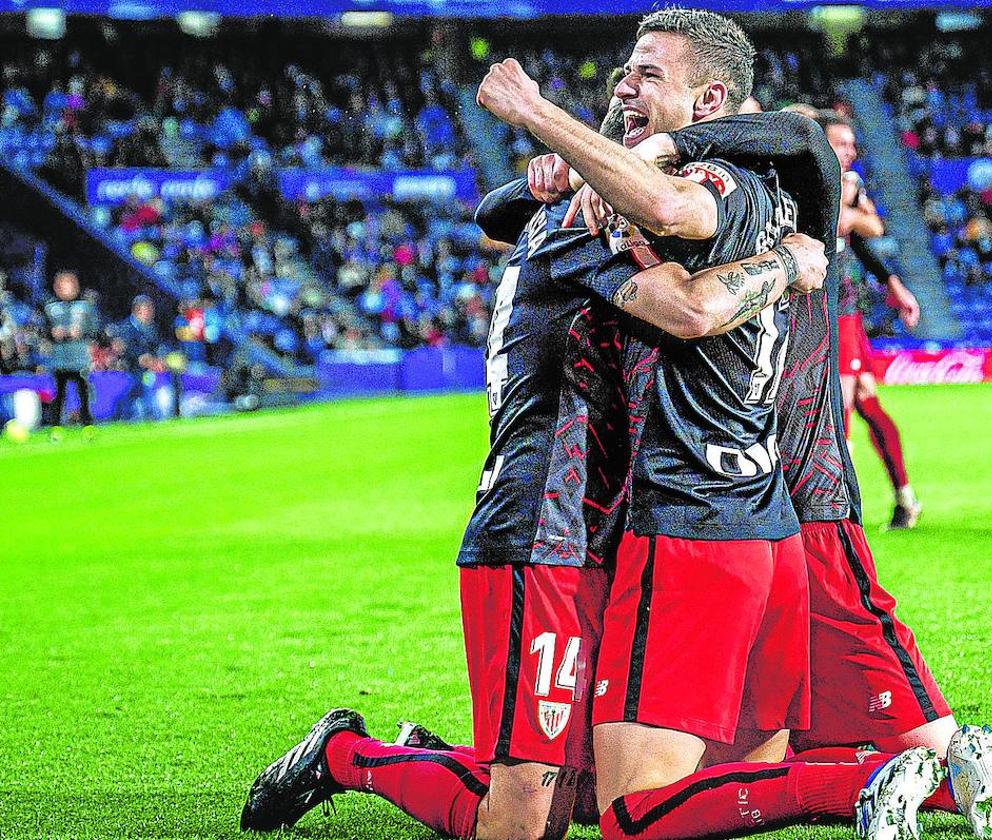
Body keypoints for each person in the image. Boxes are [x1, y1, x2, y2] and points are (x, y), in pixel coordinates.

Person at [240, 95, 833, 840]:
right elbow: (691, 308)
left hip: (603, 528)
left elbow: (504, 208)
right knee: (521, 826)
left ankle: (449, 760)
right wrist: (787, 259)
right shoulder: (573, 230)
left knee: (589, 784)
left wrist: (546, 177)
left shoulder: (589, 214)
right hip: (537, 531)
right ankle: (345, 755)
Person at [477, 12, 951, 839]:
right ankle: (945, 767)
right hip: (760, 511)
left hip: (738, 511)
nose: (626, 86)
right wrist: (570, 170)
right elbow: (501, 207)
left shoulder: (743, 180)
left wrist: (549, 120)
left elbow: (694, 282)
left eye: (647, 74)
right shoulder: (696, 190)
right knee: (734, 772)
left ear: (713, 103)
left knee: (629, 807)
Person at [671, 109, 992, 840]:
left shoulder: (799, 196)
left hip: (805, 496)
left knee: (934, 755)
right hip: (717, 516)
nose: (844, 155)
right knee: (735, 754)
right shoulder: (710, 212)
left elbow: (814, 175)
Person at [821, 112, 924, 530]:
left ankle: (838, 511)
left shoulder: (850, 185)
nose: (849, 151)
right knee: (862, 398)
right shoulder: (805, 181)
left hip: (841, 306)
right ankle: (904, 497)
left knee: (840, 403)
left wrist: (892, 284)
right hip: (816, 303)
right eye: (840, 143)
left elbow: (871, 229)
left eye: (851, 144)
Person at [43, 269, 98, 439]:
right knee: (59, 394)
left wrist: (80, 332)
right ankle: (56, 427)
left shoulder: (85, 306)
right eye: (62, 286)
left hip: (79, 357)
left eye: (69, 285)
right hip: (59, 358)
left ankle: (87, 425)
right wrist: (52, 333)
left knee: (83, 393)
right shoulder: (50, 307)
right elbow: (42, 331)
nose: (66, 289)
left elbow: (95, 330)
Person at [111, 294, 164, 421]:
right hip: (128, 370)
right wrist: (139, 358)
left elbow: (155, 347)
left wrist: (155, 359)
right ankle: (122, 416)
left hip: (145, 372)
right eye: (147, 310)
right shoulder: (125, 328)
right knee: (133, 391)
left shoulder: (151, 328)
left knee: (146, 390)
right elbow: (122, 349)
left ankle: (148, 415)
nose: (151, 314)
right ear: (137, 310)